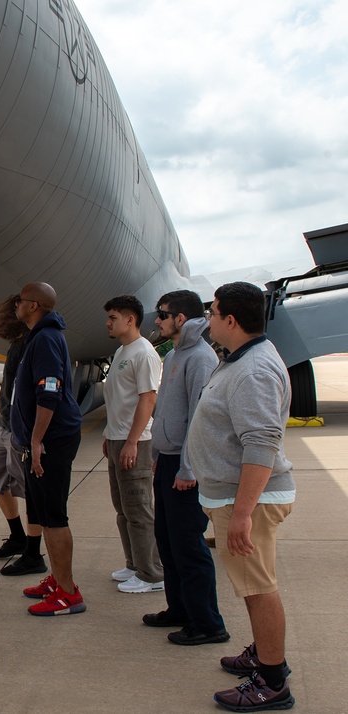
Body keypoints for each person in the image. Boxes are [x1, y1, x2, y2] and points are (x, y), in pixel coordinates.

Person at [187, 282, 296, 711]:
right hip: (237, 498)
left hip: (248, 500)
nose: (208, 320)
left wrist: (243, 515)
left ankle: (272, 681)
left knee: (259, 587)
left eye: (212, 313)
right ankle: (263, 652)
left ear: (230, 320)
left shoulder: (253, 371)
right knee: (252, 586)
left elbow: (261, 443)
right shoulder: (240, 359)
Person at [144, 290, 228, 645]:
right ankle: (179, 609)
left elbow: (198, 417)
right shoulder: (176, 353)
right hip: (167, 462)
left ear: (181, 318)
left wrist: (187, 470)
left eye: (162, 314)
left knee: (189, 547)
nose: (158, 321)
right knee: (167, 541)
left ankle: (208, 624)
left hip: (184, 467)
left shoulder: (200, 357)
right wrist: (159, 457)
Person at [9, 282, 86, 616]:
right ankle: (56, 579)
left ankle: (68, 594)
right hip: (41, 440)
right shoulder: (38, 337)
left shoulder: (45, 339)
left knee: (54, 517)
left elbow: (50, 392)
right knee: (41, 512)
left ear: (34, 305)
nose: (15, 305)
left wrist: (37, 440)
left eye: (20, 301)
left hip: (52, 440)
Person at [102, 295, 164, 594]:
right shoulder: (122, 351)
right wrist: (109, 435)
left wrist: (132, 441)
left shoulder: (144, 353)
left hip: (133, 442)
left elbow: (147, 398)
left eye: (113, 317)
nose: (108, 323)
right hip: (117, 439)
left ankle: (151, 574)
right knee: (123, 509)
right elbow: (118, 400)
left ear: (131, 319)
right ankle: (134, 563)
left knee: (139, 510)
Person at [0, 296, 46, 577]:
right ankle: (17, 538)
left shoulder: (34, 344)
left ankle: (34, 554)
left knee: (31, 494)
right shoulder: (17, 344)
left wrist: (32, 435)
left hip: (20, 431)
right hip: (5, 427)